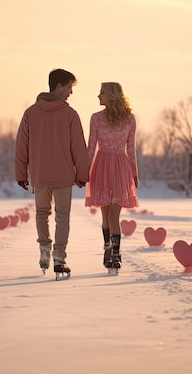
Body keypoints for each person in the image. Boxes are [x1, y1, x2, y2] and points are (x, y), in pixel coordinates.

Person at [15, 68, 89, 277]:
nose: (70, 93)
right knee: (62, 216)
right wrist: (82, 175)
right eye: (69, 88)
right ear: (59, 86)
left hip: (40, 174)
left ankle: (44, 253)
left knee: (41, 213)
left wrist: (21, 174)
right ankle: (59, 258)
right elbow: (79, 148)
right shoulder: (70, 114)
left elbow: (22, 146)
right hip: (64, 175)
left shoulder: (30, 112)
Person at [85, 82, 139, 273]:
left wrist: (134, 173)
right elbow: (90, 147)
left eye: (101, 93)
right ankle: (108, 249)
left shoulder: (130, 119)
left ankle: (115, 254)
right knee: (106, 215)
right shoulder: (96, 118)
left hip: (120, 167)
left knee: (114, 214)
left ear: (111, 95)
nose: (98, 96)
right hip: (101, 166)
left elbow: (131, 149)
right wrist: (84, 170)